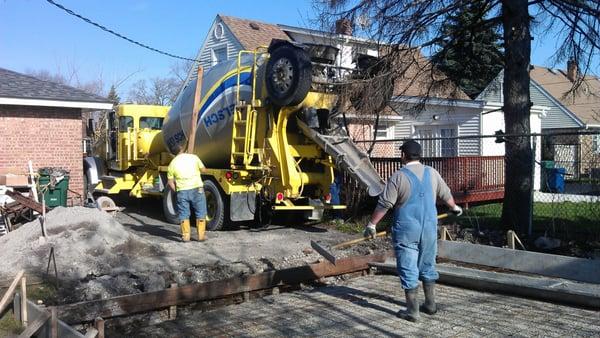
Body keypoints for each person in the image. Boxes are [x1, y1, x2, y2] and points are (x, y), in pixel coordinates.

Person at [364, 140, 462, 322]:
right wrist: (455, 208)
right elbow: (446, 195)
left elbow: (385, 204)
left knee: (408, 267)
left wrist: (372, 224)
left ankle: (412, 311)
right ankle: (431, 305)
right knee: (427, 264)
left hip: (407, 230)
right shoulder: (432, 173)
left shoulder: (399, 176)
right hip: (430, 229)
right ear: (419, 154)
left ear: (403, 155)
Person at [167, 144, 208, 242]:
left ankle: (186, 236)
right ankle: (201, 235)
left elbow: (170, 182)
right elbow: (203, 170)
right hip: (197, 189)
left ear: (173, 153)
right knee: (200, 211)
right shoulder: (194, 157)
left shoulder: (172, 164)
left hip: (182, 191)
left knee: (184, 213)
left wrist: (176, 190)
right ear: (181, 149)